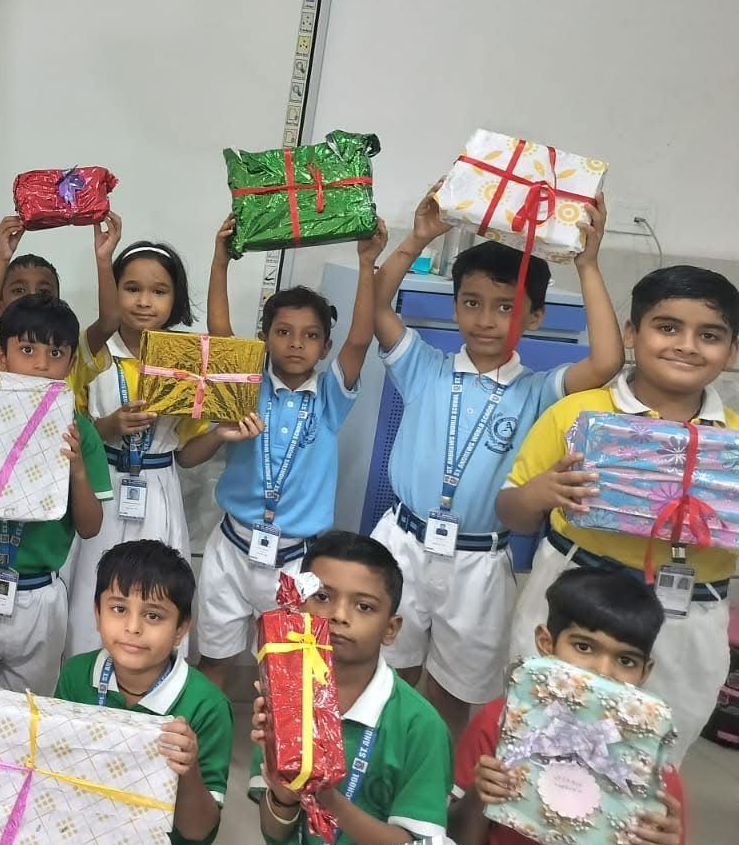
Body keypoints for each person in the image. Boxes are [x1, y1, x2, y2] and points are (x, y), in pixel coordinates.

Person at [368, 184, 621, 733]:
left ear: (535, 317)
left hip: (479, 562)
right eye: (472, 302)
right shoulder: (425, 367)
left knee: (455, 693)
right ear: (455, 305)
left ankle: (437, 774)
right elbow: (376, 306)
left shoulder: (539, 391)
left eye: (506, 307)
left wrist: (588, 264)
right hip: (402, 543)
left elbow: (606, 362)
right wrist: (417, 238)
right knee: (384, 674)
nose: (485, 319)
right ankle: (377, 765)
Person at [497, 264, 739, 764]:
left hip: (688, 616)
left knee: (651, 760)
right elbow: (512, 514)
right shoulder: (576, 414)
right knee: (537, 741)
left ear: (732, 350)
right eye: (667, 327)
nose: (687, 346)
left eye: (710, 335)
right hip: (573, 594)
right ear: (632, 333)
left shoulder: (734, 442)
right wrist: (540, 493)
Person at [194, 215, 386, 688]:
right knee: (214, 661)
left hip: (297, 560)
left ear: (325, 346)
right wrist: (219, 261)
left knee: (285, 676)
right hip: (232, 546)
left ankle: (270, 742)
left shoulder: (330, 397)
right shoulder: (246, 385)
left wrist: (367, 263)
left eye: (310, 335)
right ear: (264, 337)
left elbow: (360, 339)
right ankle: (207, 737)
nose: (296, 343)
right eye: (283, 332)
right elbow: (219, 332)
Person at [10, 540, 232, 845]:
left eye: (153, 615)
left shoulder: (207, 704)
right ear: (97, 614)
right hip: (93, 842)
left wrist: (187, 771)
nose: (133, 627)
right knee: (26, 835)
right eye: (118, 609)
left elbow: (198, 831)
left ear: (181, 628)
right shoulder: (78, 674)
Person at [450, 568, 685, 845]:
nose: (602, 672)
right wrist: (479, 794)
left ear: (645, 671)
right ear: (546, 643)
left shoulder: (651, 766)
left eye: (626, 661)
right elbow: (461, 842)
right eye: (584, 647)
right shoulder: (499, 724)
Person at [0, 295, 107, 695]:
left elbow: (91, 527)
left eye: (55, 353)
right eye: (27, 349)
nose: (41, 364)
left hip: (39, 595)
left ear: (71, 363)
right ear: (2, 356)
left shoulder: (80, 433)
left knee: (28, 713)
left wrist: (78, 470)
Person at [250, 530, 451, 845]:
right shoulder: (285, 699)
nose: (338, 615)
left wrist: (327, 798)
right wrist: (284, 796)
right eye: (322, 597)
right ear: (298, 607)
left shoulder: (420, 726)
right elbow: (275, 833)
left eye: (364, 606)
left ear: (391, 629)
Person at [63, 240, 218, 659]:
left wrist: (222, 434)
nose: (145, 302)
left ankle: (150, 682)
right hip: (101, 482)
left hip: (159, 487)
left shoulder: (186, 359)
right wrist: (108, 427)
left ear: (175, 297)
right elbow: (68, 427)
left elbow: (186, 455)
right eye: (132, 289)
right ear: (113, 292)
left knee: (156, 590)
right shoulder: (93, 351)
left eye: (159, 291)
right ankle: (84, 677)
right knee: (93, 587)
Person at [0, 213, 121, 378]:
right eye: (19, 290)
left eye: (44, 292)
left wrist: (104, 260)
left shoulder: (68, 349)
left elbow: (109, 324)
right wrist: (1, 260)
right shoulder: (1, 352)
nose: (32, 296)